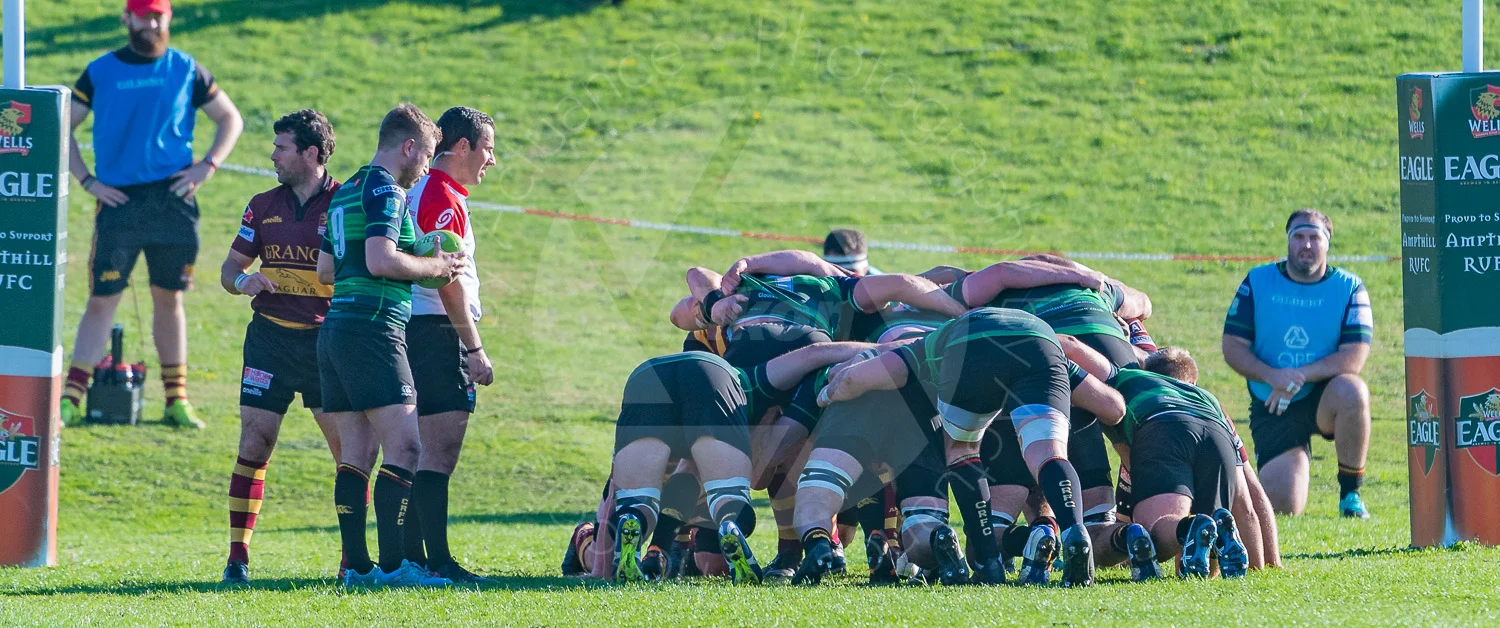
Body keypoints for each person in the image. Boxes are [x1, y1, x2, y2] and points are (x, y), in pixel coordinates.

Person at [802, 307, 1125, 587]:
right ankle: (1074, 533)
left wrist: (825, 395)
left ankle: (988, 563)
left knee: (961, 450)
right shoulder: (1038, 337)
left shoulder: (926, 345)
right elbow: (1114, 408)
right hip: (1041, 343)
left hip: (970, 346)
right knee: (1049, 453)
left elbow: (853, 379)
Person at [61, 0, 244, 429]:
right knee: (102, 300)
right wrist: (87, 180)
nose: (152, 22)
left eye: (158, 15)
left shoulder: (185, 68)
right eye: (143, 15)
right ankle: (71, 398)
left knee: (170, 299)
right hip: (118, 203)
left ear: (169, 19)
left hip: (173, 203)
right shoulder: (100, 71)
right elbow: (60, 125)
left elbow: (230, 119)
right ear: (127, 18)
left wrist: (208, 165)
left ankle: (176, 401)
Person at [319, 104, 465, 589]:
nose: (426, 167)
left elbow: (326, 271)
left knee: (356, 453)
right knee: (406, 444)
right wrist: (436, 268)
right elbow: (380, 260)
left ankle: (357, 571)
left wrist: (417, 248)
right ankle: (394, 567)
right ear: (408, 147)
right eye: (425, 155)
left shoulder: (345, 191)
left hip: (336, 328)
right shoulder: (387, 189)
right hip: (374, 328)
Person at [217, 110, 365, 584]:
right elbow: (228, 271)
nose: (273, 155)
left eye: (282, 147)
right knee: (254, 442)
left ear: (311, 154)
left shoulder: (346, 204)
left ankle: (352, 561)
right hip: (269, 342)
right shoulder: (262, 205)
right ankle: (237, 560)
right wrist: (244, 280)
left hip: (327, 344)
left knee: (348, 455)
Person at [1221, 209, 1374, 519]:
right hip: (1273, 401)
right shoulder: (1257, 280)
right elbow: (1232, 346)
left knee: (1354, 391)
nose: (1306, 244)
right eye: (1299, 236)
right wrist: (1272, 376)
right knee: (1283, 508)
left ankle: (1350, 495)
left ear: (1327, 243)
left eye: (1315, 237)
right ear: (1288, 241)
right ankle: (1289, 461)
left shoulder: (1350, 287)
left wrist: (1296, 377)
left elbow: (1354, 356)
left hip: (1324, 394)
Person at [400, 106, 496, 584]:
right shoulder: (440, 195)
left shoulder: (428, 189)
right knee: (439, 450)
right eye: (488, 149)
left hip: (420, 330)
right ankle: (434, 561)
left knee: (420, 450)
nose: (491, 161)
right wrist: (474, 347)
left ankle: (417, 558)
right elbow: (447, 280)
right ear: (462, 147)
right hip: (438, 332)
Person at [1071, 346, 1253, 580]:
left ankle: (1188, 527)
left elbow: (1073, 344)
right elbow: (1247, 503)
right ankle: (1214, 529)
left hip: (1163, 425)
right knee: (1200, 558)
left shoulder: (1129, 377)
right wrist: (1264, 562)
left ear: (1148, 370)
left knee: (1152, 533)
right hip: (1217, 433)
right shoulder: (1208, 397)